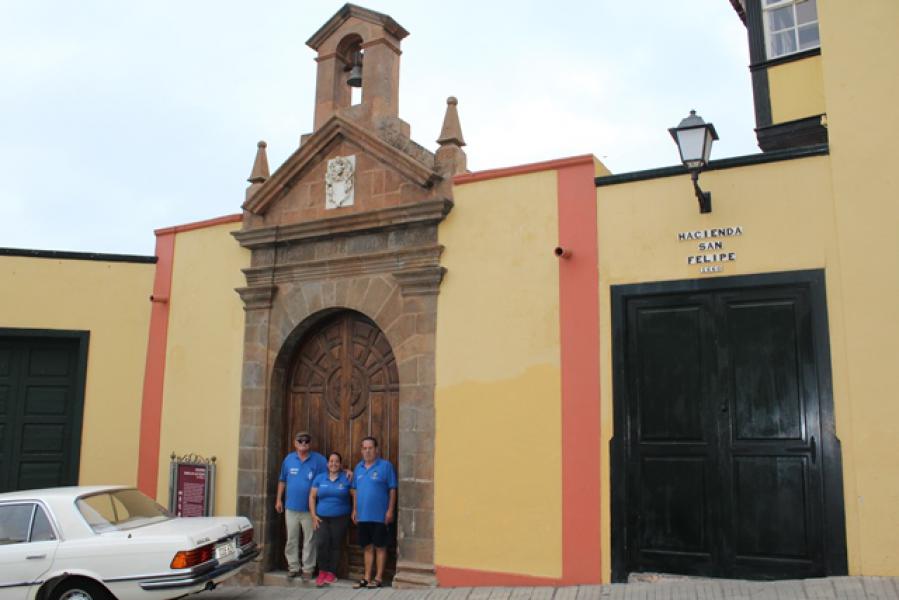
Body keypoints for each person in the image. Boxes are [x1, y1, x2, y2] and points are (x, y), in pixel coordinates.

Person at [275, 431, 328, 581]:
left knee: (309, 540)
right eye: (300, 440)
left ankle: (308, 569)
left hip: (310, 510)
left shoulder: (319, 460)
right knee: (291, 539)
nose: (303, 443)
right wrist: (278, 500)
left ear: (310, 443)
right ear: (295, 443)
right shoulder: (288, 459)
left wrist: (346, 471)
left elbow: (332, 470)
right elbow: (282, 480)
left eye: (306, 441)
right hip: (291, 508)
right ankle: (293, 567)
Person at [351, 436, 397, 589]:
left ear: (376, 449)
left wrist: (390, 510)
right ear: (361, 450)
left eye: (370, 448)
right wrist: (354, 509)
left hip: (380, 516)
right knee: (367, 547)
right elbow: (355, 490)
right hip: (363, 516)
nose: (367, 451)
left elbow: (392, 489)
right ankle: (366, 577)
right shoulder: (358, 468)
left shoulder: (386, 466)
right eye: (364, 448)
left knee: (380, 547)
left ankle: (378, 578)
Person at [309, 451, 352, 587]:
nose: (334, 464)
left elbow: (355, 495)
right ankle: (322, 571)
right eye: (331, 461)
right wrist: (313, 515)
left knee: (335, 545)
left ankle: (331, 573)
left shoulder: (347, 478)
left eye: (336, 461)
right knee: (321, 543)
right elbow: (312, 497)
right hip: (321, 517)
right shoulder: (320, 478)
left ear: (340, 464)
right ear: (327, 464)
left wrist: (355, 510)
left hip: (340, 518)